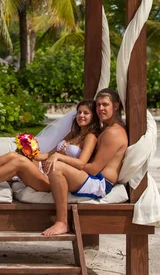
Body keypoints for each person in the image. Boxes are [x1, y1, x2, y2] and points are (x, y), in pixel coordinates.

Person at [0, 99, 100, 198]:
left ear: (93, 116)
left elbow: (81, 163)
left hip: (54, 181)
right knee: (13, 156)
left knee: (19, 164)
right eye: (79, 112)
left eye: (86, 113)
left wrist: (57, 158)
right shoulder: (72, 134)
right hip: (43, 170)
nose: (81, 116)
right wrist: (31, 153)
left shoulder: (90, 137)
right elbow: (48, 155)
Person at [42, 88, 128, 236]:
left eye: (105, 105)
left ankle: (62, 222)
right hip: (93, 178)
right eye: (98, 105)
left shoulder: (114, 132)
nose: (100, 108)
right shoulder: (106, 128)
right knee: (53, 164)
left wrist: (61, 158)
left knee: (56, 167)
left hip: (100, 182)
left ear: (115, 106)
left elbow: (94, 169)